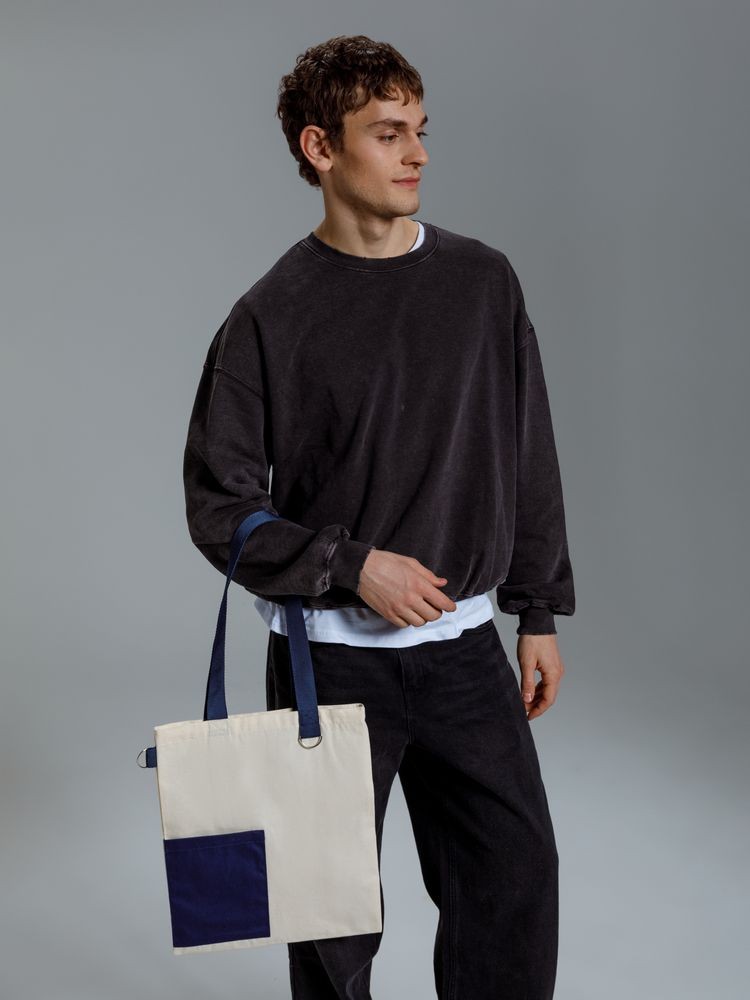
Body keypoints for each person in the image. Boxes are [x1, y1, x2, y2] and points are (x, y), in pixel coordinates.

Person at [182, 33, 575, 1000]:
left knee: (514, 886)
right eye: (389, 133)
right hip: (329, 667)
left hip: (465, 656)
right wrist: (353, 566)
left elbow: (526, 450)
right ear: (321, 147)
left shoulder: (483, 283)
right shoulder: (269, 315)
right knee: (328, 927)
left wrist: (537, 610)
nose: (419, 154)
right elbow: (220, 506)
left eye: (421, 130)